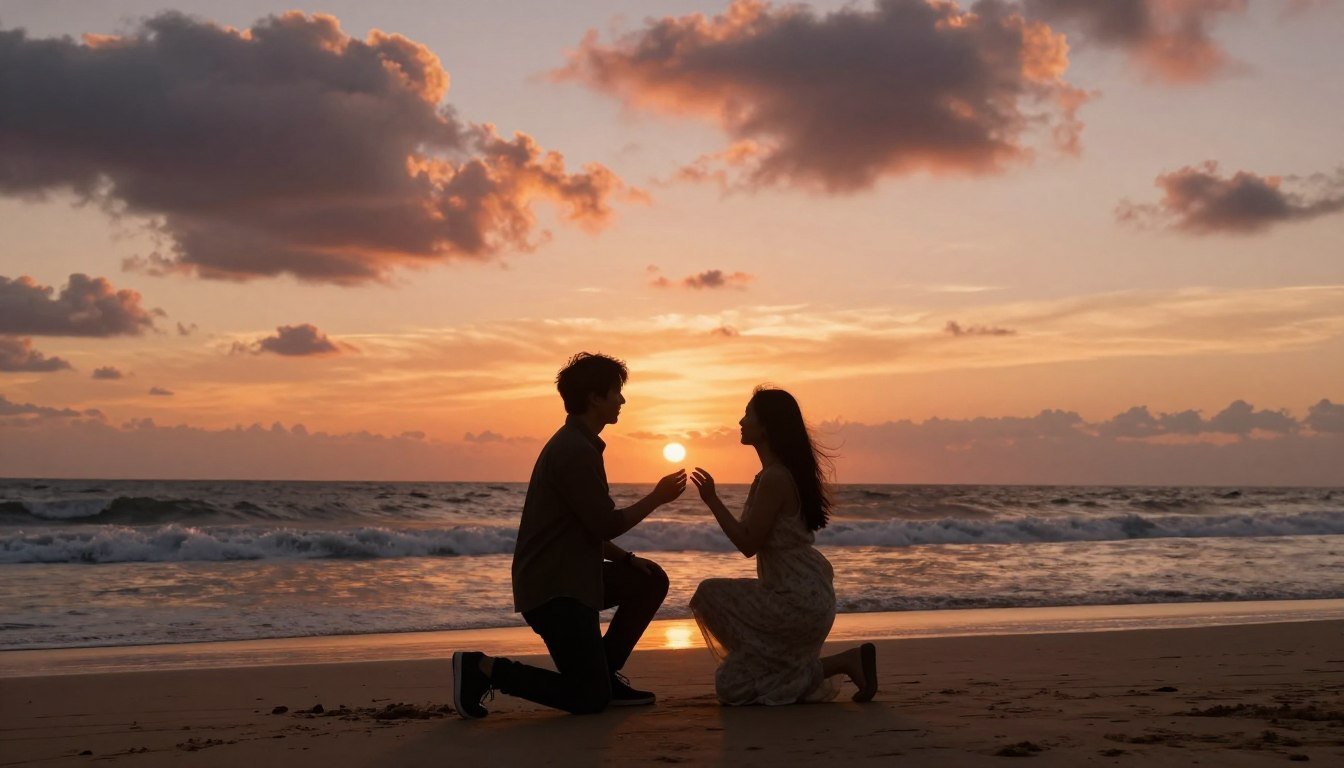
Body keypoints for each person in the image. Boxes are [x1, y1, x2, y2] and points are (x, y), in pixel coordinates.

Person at [453, 352, 687, 718]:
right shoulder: (573, 450)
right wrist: (656, 499)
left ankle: (604, 677)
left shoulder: (582, 445)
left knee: (649, 579)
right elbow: (605, 523)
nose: (622, 401)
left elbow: (584, 527)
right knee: (588, 699)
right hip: (554, 591)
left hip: (576, 580)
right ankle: (482, 669)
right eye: (616, 392)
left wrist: (626, 559)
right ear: (595, 398)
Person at [689, 387, 877, 705]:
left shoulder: (776, 478)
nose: (740, 420)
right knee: (732, 685)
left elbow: (748, 543)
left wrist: (712, 500)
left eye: (748, 414)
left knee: (708, 594)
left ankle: (838, 663)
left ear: (766, 425)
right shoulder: (775, 475)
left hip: (795, 601)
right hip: (802, 593)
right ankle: (845, 661)